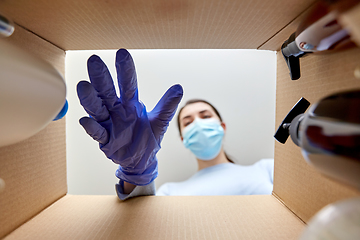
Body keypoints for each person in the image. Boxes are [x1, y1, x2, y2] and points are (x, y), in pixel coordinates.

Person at [77, 49, 273, 200]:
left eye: (205, 116)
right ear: (183, 138)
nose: (197, 123)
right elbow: (141, 224)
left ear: (222, 126)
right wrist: (136, 170)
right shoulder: (171, 192)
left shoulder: (266, 169)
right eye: (187, 122)